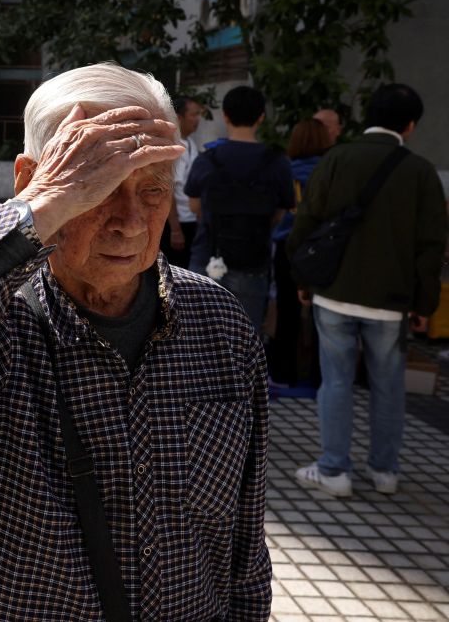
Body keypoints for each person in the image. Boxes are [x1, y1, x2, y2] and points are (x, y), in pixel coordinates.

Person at [0, 63, 271, 620]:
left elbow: (244, 542)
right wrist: (41, 207)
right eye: (98, 188)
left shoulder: (219, 322)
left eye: (152, 189)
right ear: (32, 181)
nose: (132, 222)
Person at [289, 83, 447, 497]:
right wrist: (424, 302)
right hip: (392, 302)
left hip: (334, 291)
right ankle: (385, 471)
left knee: (337, 381)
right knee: (388, 386)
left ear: (367, 116)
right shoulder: (421, 172)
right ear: (410, 126)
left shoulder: (338, 158)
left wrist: (303, 279)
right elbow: (431, 245)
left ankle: (334, 469)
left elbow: (308, 220)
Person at [185, 85, 294, 335]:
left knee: (197, 338)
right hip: (253, 260)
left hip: (208, 254)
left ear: (225, 116)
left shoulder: (208, 159)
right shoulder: (276, 162)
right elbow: (281, 212)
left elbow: (194, 206)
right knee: (245, 338)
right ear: (261, 117)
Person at [269, 119, 332, 386]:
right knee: (323, 315)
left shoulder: (286, 169)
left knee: (287, 312)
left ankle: (283, 374)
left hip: (287, 246)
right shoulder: (330, 171)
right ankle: (320, 377)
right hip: (322, 248)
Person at [160, 94, 203, 269]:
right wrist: (176, 229)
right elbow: (169, 189)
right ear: (179, 117)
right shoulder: (174, 147)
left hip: (191, 219)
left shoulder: (190, 143)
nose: (197, 119)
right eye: (193, 115)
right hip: (177, 223)